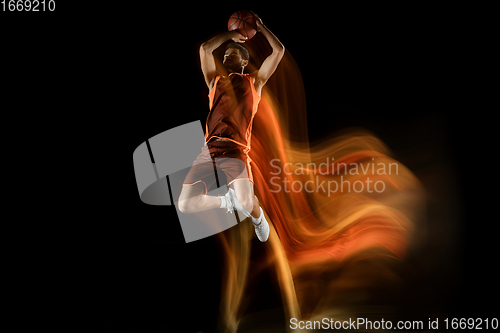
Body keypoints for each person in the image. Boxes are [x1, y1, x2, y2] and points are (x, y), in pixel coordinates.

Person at [178, 13, 284, 242]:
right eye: (225, 55)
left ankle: (258, 219)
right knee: (185, 203)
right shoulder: (214, 82)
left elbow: (278, 51)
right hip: (209, 152)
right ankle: (227, 201)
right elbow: (206, 49)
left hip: (236, 152)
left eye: (232, 54)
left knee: (247, 202)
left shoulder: (254, 82)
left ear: (244, 61)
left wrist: (261, 27)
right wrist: (230, 35)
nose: (226, 58)